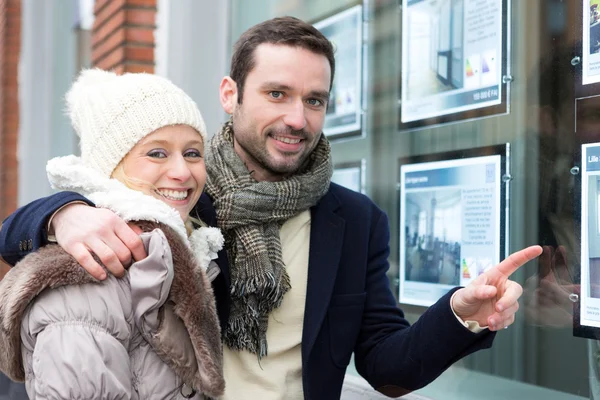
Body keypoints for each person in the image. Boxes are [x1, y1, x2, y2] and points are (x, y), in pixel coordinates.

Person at [0, 17, 542, 400]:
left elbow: (384, 365)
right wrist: (62, 213)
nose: (298, 119)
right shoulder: (178, 194)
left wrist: (460, 317)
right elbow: (24, 231)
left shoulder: (354, 220)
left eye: (314, 100)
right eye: (277, 94)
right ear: (231, 95)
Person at [0, 69, 226, 399]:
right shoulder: (87, 278)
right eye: (157, 153)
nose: (181, 171)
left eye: (192, 153)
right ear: (111, 167)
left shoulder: (191, 242)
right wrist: (59, 215)